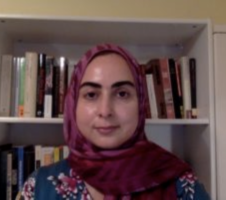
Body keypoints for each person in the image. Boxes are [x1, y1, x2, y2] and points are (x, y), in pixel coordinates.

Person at [18, 44, 210, 200]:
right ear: (72, 104)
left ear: (141, 104)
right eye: (91, 94)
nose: (105, 111)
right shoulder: (39, 187)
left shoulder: (181, 185)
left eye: (122, 94)